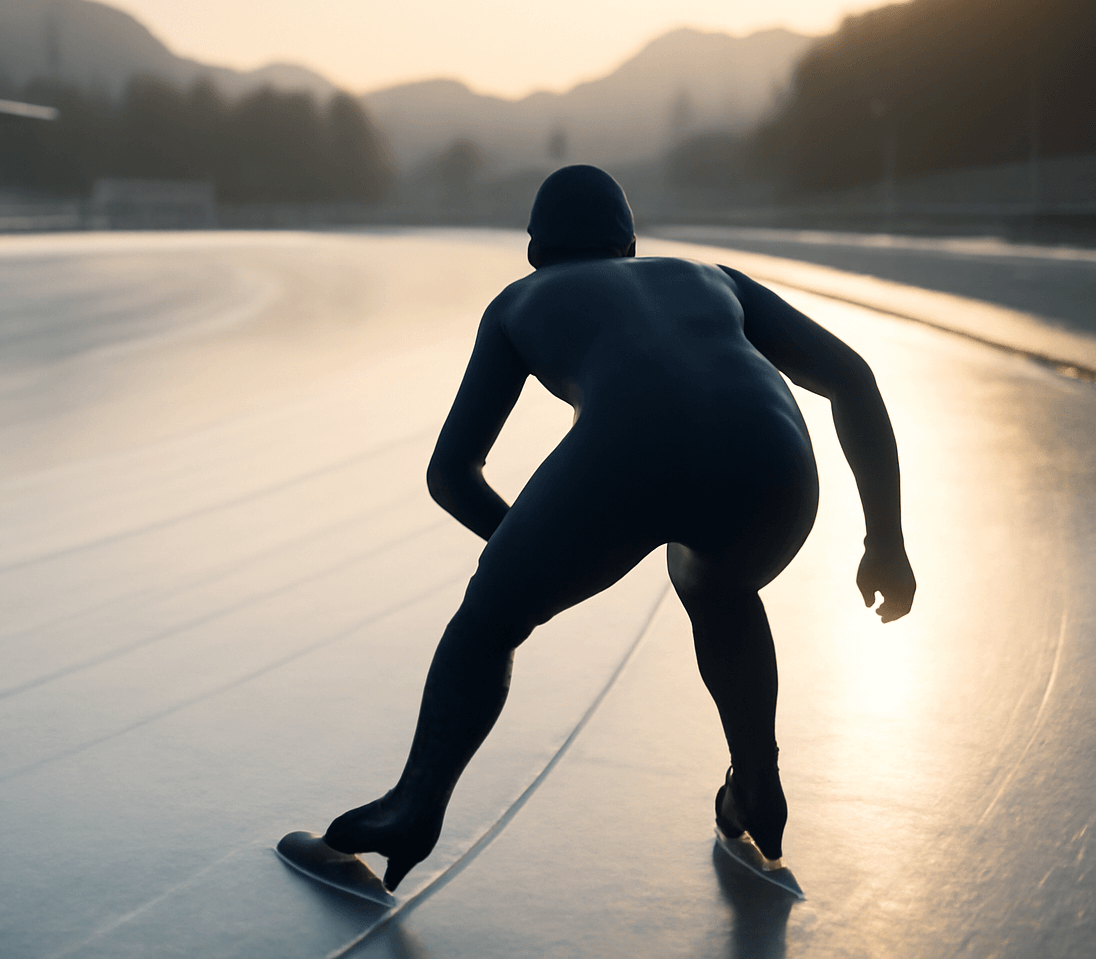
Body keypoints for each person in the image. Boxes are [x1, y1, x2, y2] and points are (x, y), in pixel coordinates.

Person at [322, 165, 916, 891]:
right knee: (719, 584)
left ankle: (413, 808)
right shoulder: (710, 275)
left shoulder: (522, 298)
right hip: (775, 463)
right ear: (631, 243)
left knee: (486, 625)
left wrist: (527, 560)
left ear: (535, 249)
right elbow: (851, 376)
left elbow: (451, 473)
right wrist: (885, 540)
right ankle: (757, 785)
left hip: (628, 454)